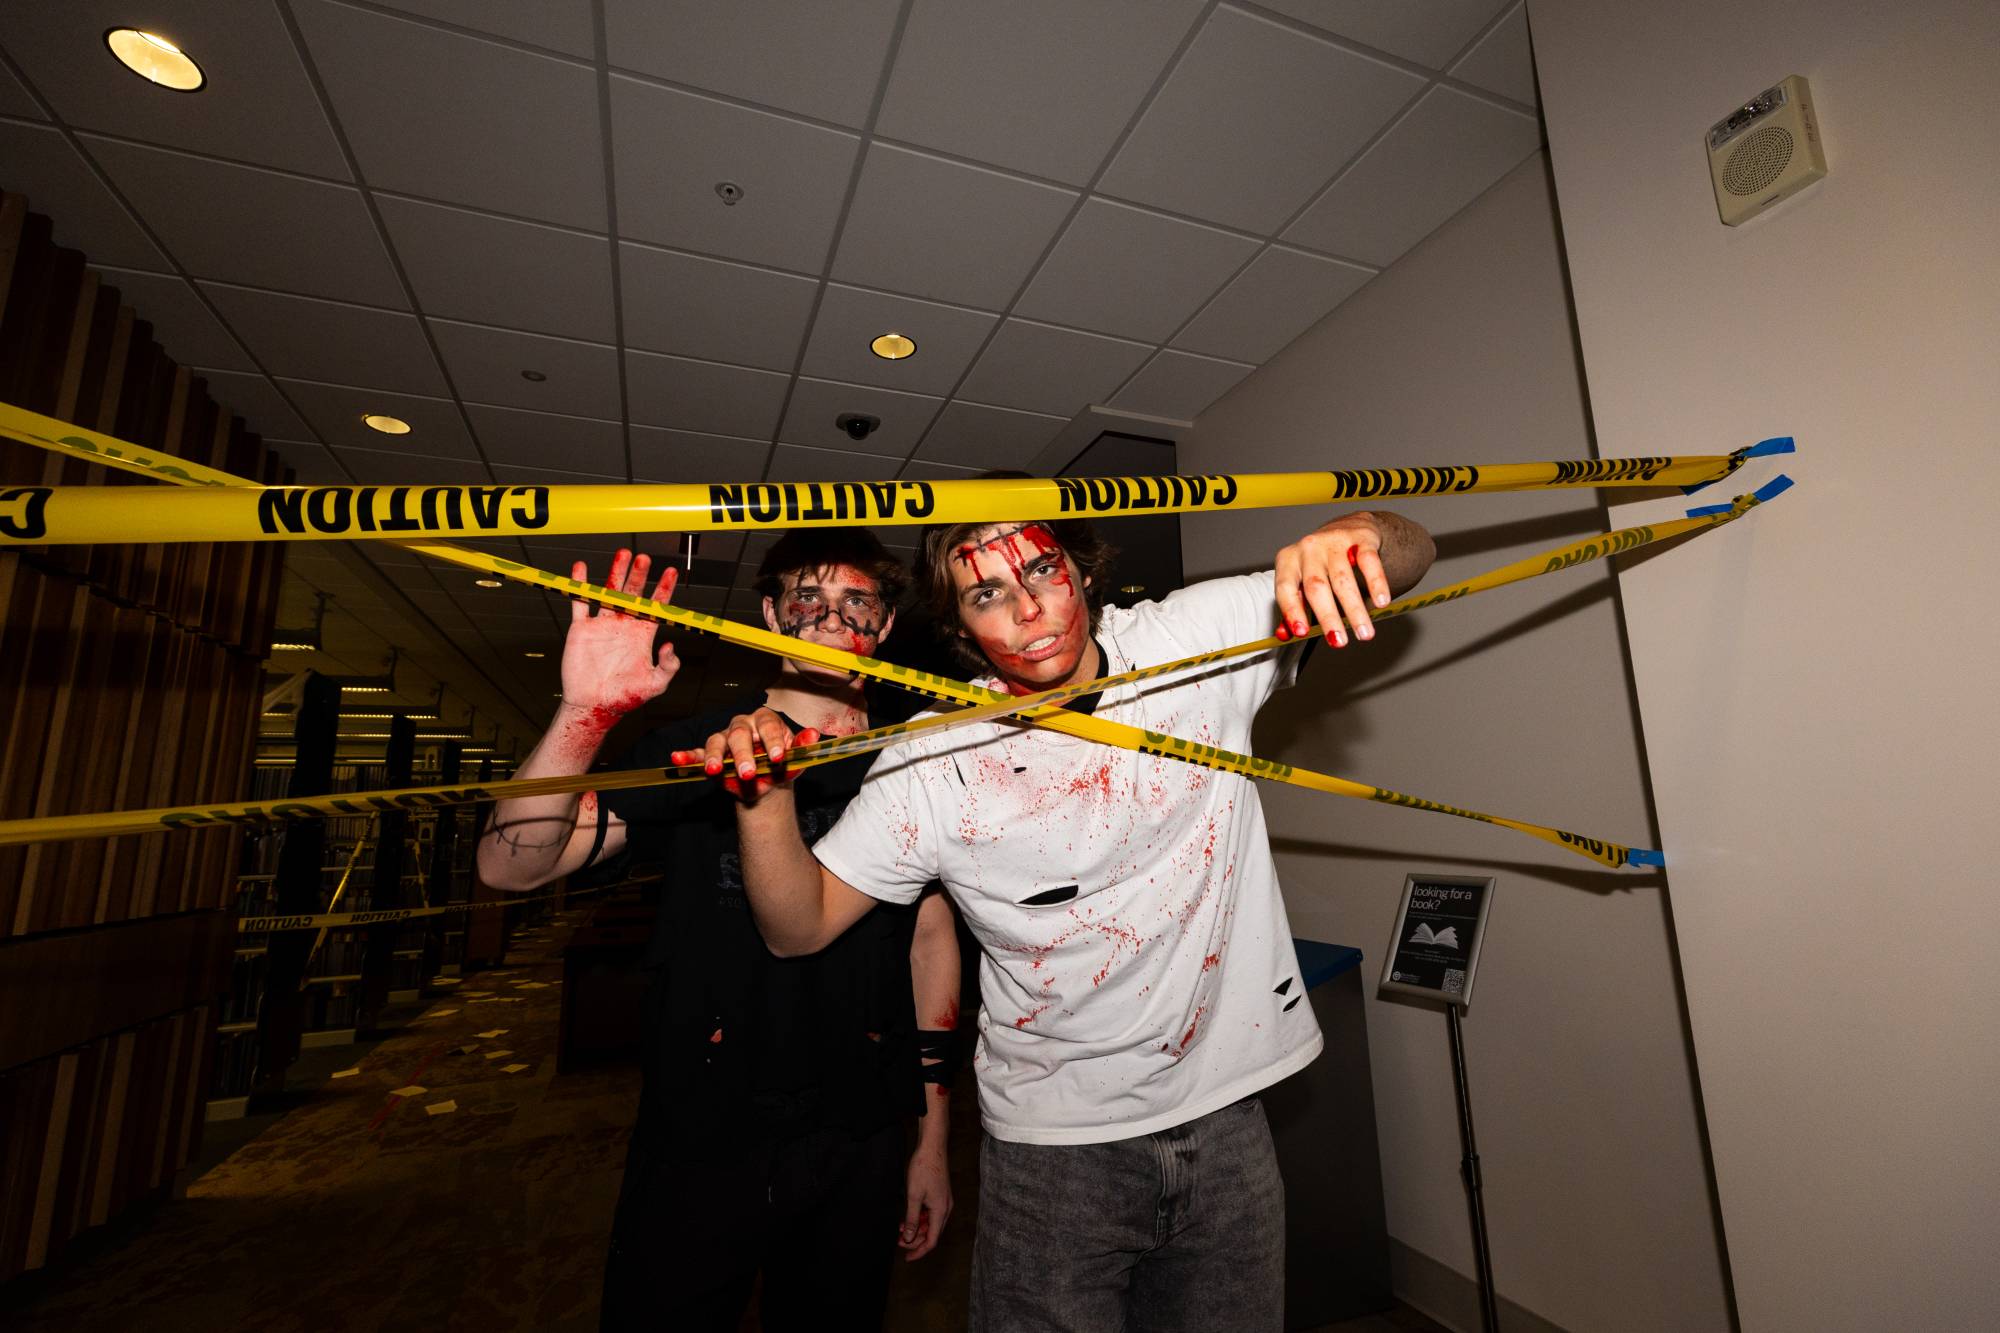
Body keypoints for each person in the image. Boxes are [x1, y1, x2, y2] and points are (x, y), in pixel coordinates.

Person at [697, 503, 1436, 1332]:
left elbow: (1413, 553)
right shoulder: (930, 758)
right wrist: (765, 803)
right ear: (962, 630)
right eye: (986, 596)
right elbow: (800, 926)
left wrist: (1357, 538)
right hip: (1054, 1151)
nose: (1026, 609)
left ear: (1082, 571)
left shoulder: (1189, 643)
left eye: (1043, 571)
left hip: (1228, 1117)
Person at [475, 531, 960, 1332]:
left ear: (884, 624)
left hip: (859, 1130)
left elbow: (929, 945)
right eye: (808, 600)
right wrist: (584, 715)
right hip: (703, 1133)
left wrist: (931, 1140)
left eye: (856, 603)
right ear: (770, 614)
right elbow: (509, 867)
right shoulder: (702, 749)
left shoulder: (913, 762)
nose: (831, 620)